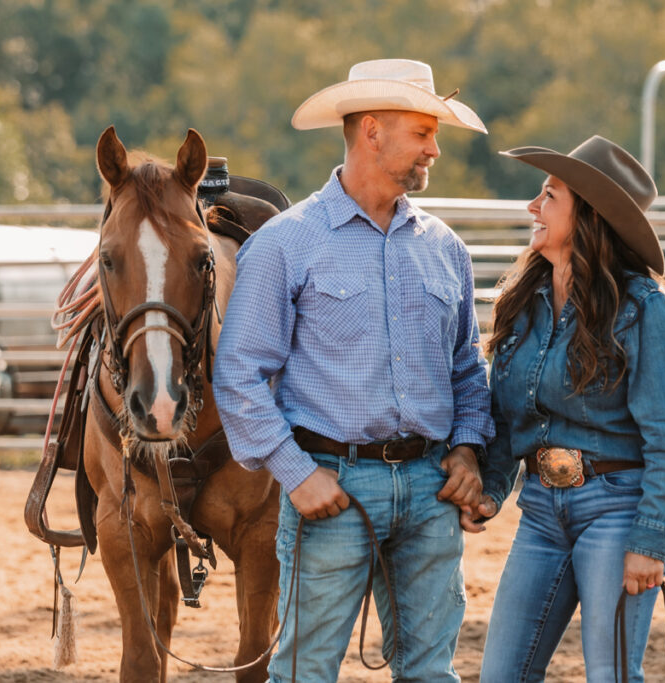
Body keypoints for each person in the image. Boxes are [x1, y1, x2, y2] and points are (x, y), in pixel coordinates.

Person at [212, 59, 495, 682]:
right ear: (372, 130)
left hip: (429, 489)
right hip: (330, 487)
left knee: (430, 673)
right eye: (423, 133)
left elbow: (467, 368)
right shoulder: (286, 244)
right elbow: (237, 375)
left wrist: (469, 450)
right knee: (303, 671)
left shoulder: (445, 247)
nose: (435, 149)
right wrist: (295, 473)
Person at [473, 136, 665, 682]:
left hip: (618, 512)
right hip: (542, 512)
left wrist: (649, 540)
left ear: (589, 216)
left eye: (549, 195)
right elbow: (508, 420)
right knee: (500, 675)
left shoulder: (646, 312)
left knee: (611, 676)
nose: (533, 206)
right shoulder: (523, 306)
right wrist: (488, 490)